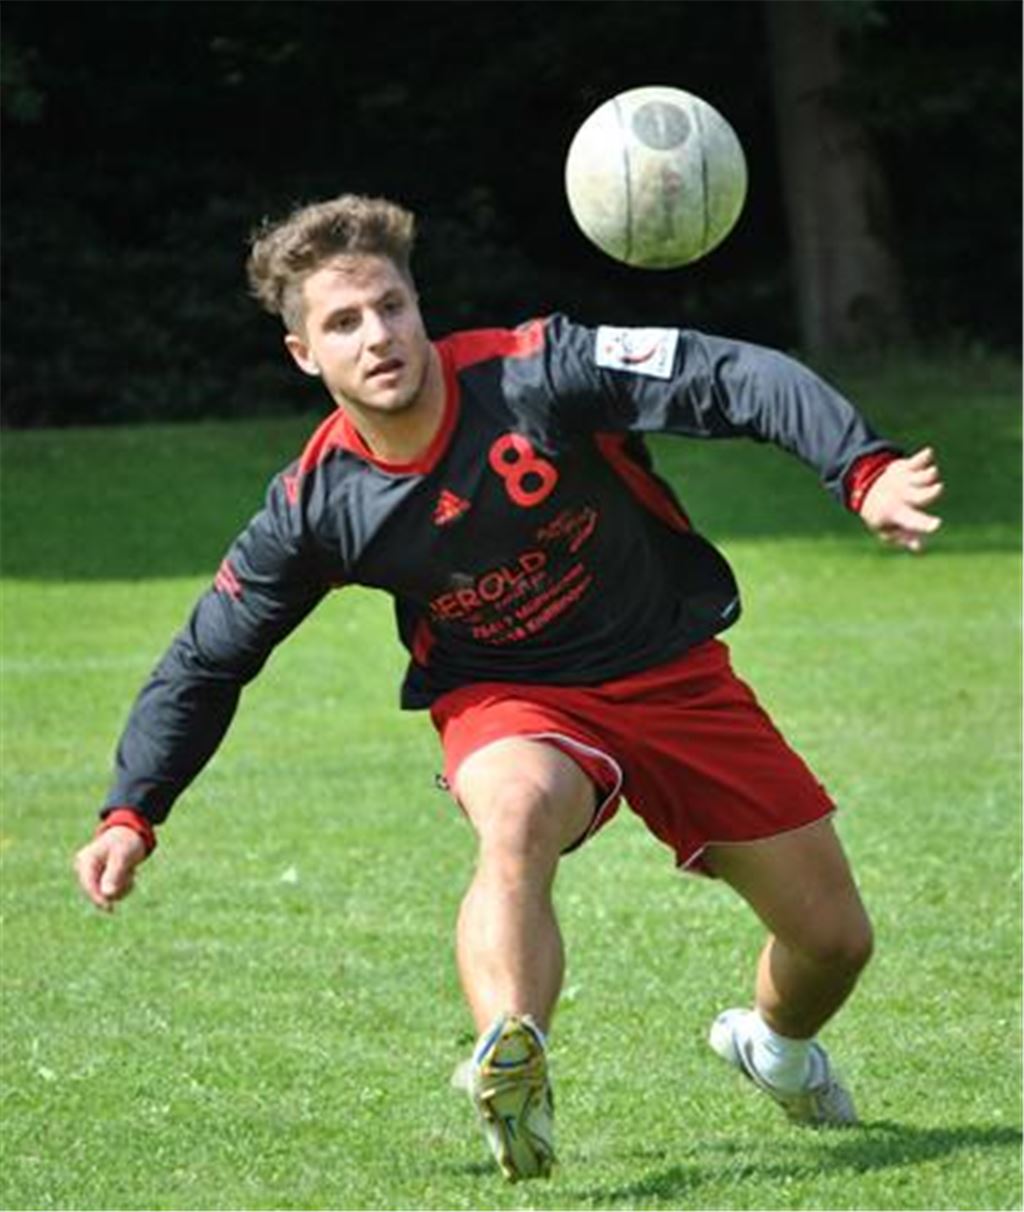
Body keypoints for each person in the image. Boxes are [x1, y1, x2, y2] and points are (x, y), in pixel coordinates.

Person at [73, 194, 944, 1182]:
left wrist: (860, 468)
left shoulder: (538, 370)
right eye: (344, 323)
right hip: (508, 698)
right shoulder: (317, 506)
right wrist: (130, 811)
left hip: (669, 670)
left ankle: (774, 1047)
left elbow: (726, 372)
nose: (379, 336)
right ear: (304, 355)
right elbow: (208, 658)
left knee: (832, 941)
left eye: (391, 306)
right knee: (517, 812)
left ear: (418, 306)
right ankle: (510, 1057)